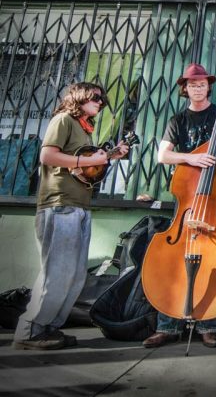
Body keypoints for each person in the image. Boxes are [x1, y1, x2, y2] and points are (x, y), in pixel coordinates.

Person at [14, 82, 129, 350]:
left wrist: (110, 156)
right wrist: (92, 161)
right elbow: (48, 155)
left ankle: (50, 328)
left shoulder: (84, 130)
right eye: (97, 98)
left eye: (103, 100)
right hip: (59, 204)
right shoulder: (64, 119)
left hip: (80, 205)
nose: (101, 103)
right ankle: (30, 330)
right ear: (80, 96)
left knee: (75, 274)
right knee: (58, 271)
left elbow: (84, 167)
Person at [142, 63, 216, 349]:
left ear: (208, 87)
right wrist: (192, 158)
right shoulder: (178, 119)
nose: (197, 88)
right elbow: (163, 156)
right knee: (175, 261)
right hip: (189, 197)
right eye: (192, 84)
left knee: (212, 258)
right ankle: (167, 325)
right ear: (184, 88)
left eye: (202, 84)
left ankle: (208, 324)